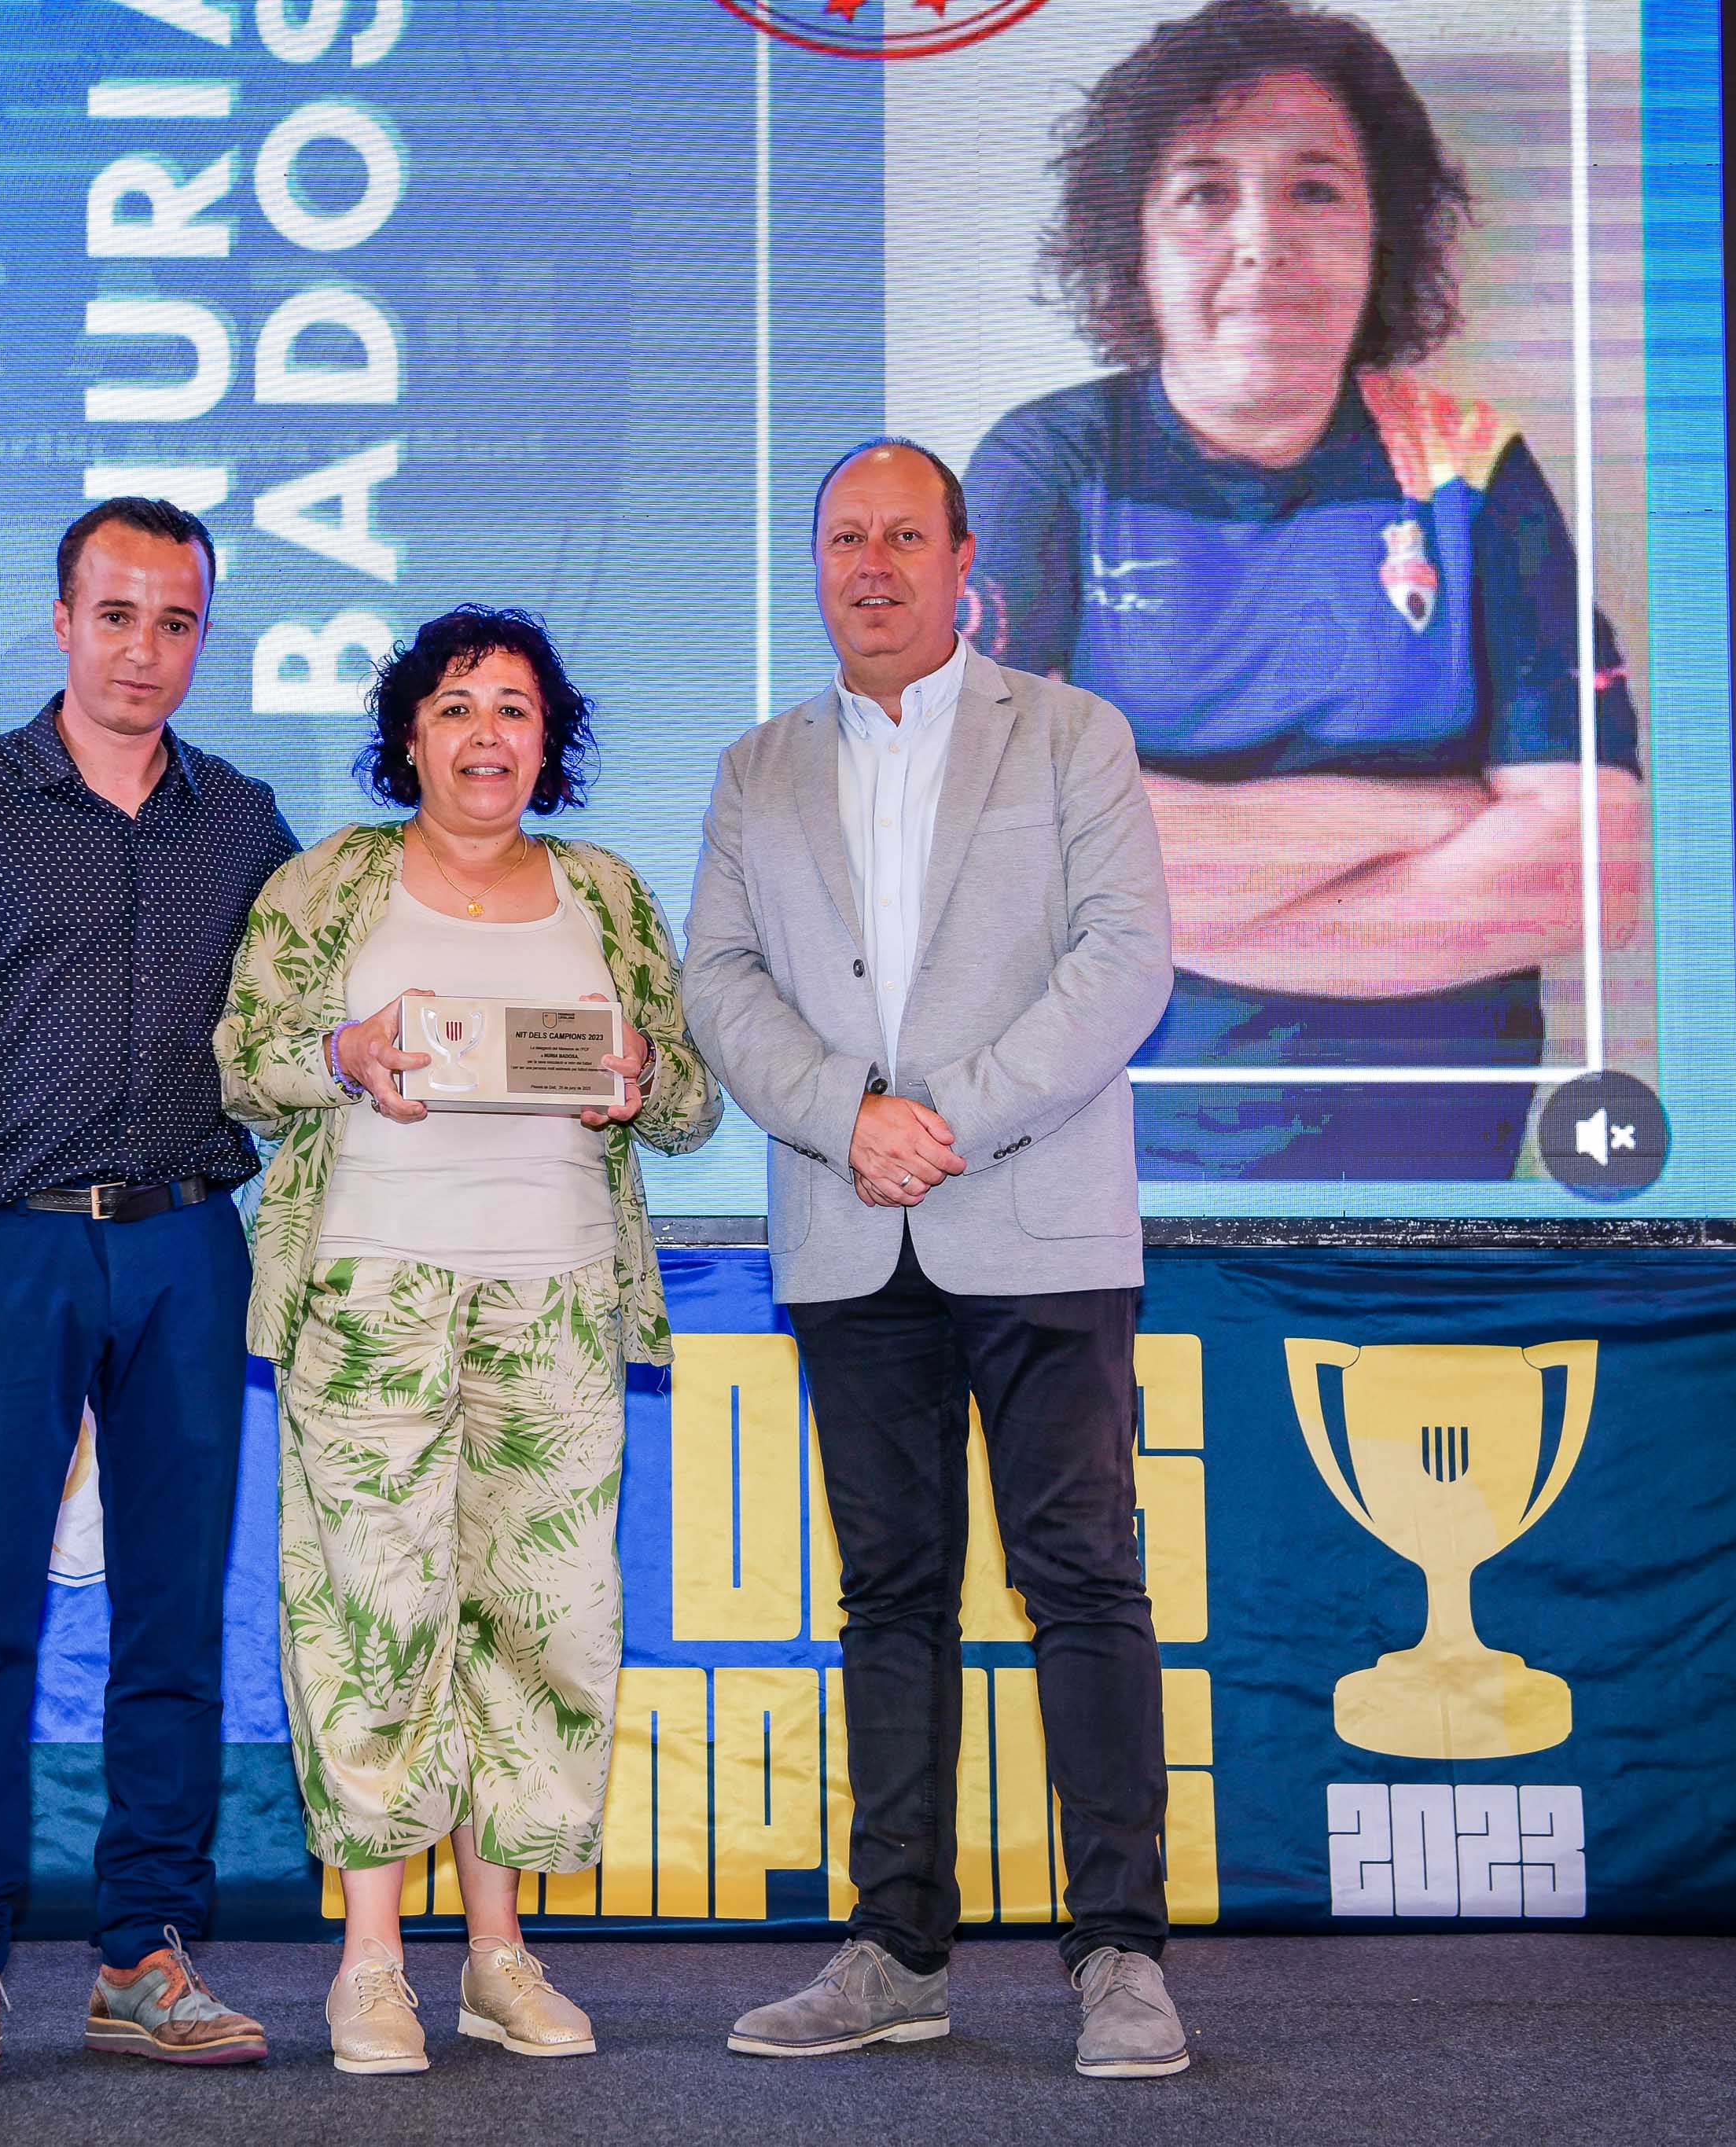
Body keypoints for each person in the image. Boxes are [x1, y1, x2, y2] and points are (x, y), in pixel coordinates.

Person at [686, 439, 1186, 2079]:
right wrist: (849, 1116)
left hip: (1034, 1218)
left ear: (964, 561)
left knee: (1081, 1582)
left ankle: (1120, 1955)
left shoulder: (1071, 733)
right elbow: (719, 984)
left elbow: (1125, 961)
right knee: (888, 1595)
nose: (873, 565)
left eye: (905, 535)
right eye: (846, 538)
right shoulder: (756, 767)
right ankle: (895, 1950)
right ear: (814, 565)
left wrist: (941, 1119)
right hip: (851, 1234)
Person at [965, 0, 1645, 1180]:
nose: (1262, 240)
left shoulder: (1471, 467)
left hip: (1438, 1180)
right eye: (1204, 191)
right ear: (1132, 238)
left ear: (1385, 231)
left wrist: (1152, 913)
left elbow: (1590, 876)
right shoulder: (1050, 465)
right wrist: (1422, 813)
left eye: (1316, 190)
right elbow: (999, 855)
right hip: (1109, 1178)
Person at [0, 497, 296, 2079]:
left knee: (173, 1612)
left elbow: (309, 1011)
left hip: (187, 1244)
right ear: (61, 621)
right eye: (115, 615)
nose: (142, 650)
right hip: (1, 1241)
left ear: (200, 637)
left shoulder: (242, 821)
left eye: (174, 622)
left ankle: (144, 1950)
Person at [216, 605, 722, 2075]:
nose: (484, 734)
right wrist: (343, 1054)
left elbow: (692, 1104)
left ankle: (498, 1958)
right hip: (370, 1301)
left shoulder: (606, 893)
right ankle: (370, 1967)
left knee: (538, 1625)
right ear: (408, 738)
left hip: (558, 1302)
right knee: (370, 1624)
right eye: (452, 706)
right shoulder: (329, 882)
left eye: (512, 707)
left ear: (548, 742)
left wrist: (641, 1075)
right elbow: (242, 1064)